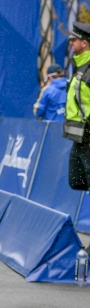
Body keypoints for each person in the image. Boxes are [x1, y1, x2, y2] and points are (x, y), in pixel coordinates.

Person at [64, 21, 90, 191]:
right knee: (76, 181)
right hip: (79, 136)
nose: (71, 42)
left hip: (88, 133)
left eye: (74, 40)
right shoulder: (78, 65)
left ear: (85, 43)